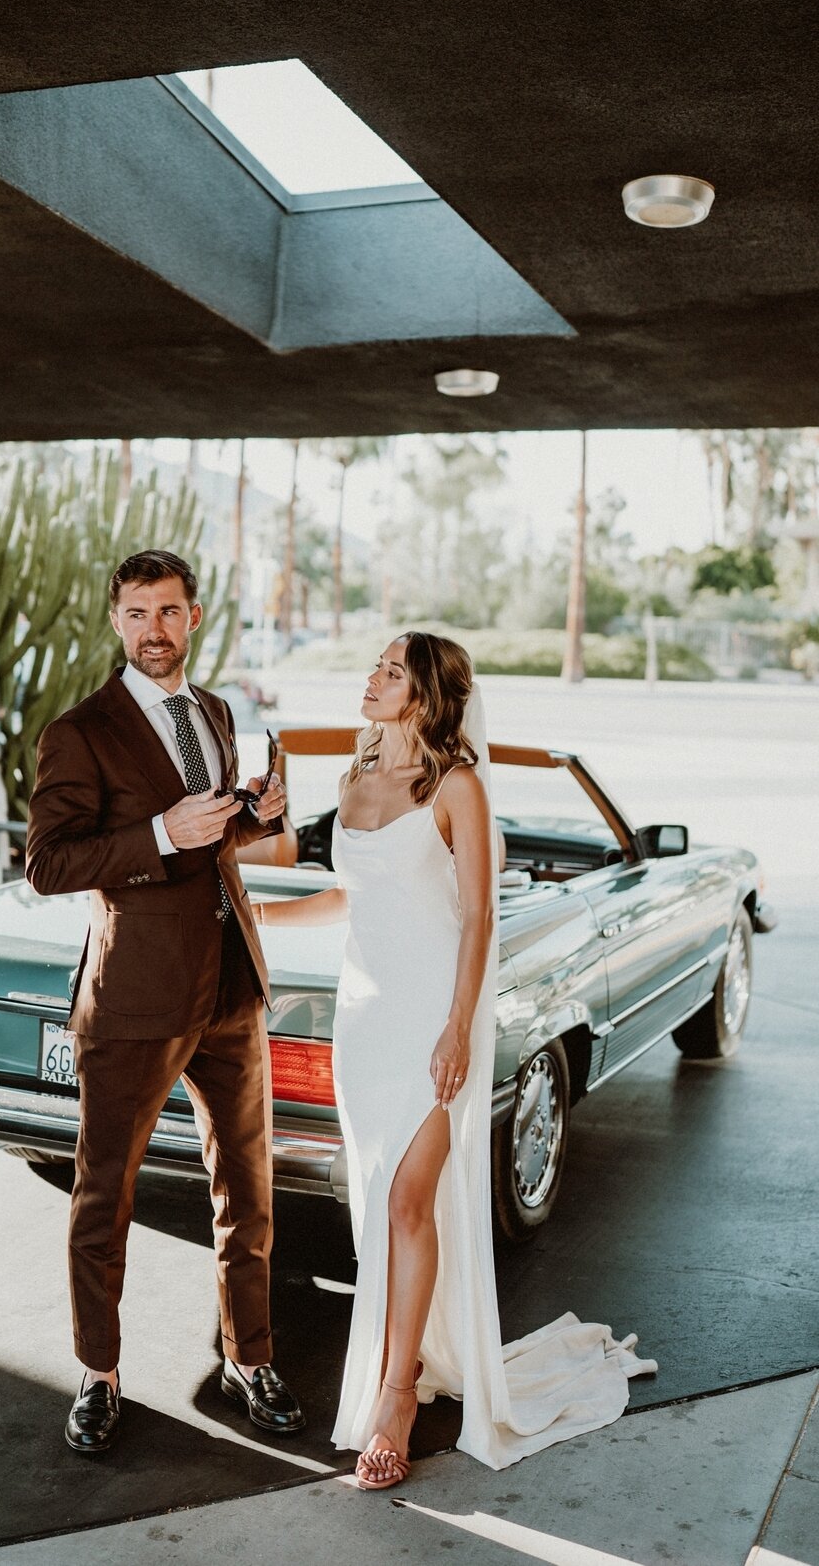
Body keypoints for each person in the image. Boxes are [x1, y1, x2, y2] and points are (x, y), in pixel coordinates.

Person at [253, 632, 654, 1485]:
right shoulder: (355, 781)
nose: (372, 677)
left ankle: (397, 1395)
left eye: (392, 671)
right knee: (380, 1207)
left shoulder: (457, 787)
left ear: (427, 694)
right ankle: (413, 1354)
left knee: (409, 1200)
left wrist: (456, 1027)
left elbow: (478, 919)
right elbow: (346, 895)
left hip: (436, 1016)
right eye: (375, 665)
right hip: (363, 1020)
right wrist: (258, 917)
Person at [26, 549, 305, 1454]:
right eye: (138, 613)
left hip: (231, 985)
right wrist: (155, 831)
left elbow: (215, 836)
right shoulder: (82, 731)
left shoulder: (215, 712)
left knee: (248, 1192)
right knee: (103, 1195)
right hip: (136, 999)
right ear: (117, 622)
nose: (155, 630)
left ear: (194, 617)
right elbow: (48, 862)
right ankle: (99, 1375)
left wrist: (258, 812)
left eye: (170, 612)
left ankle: (248, 1356)